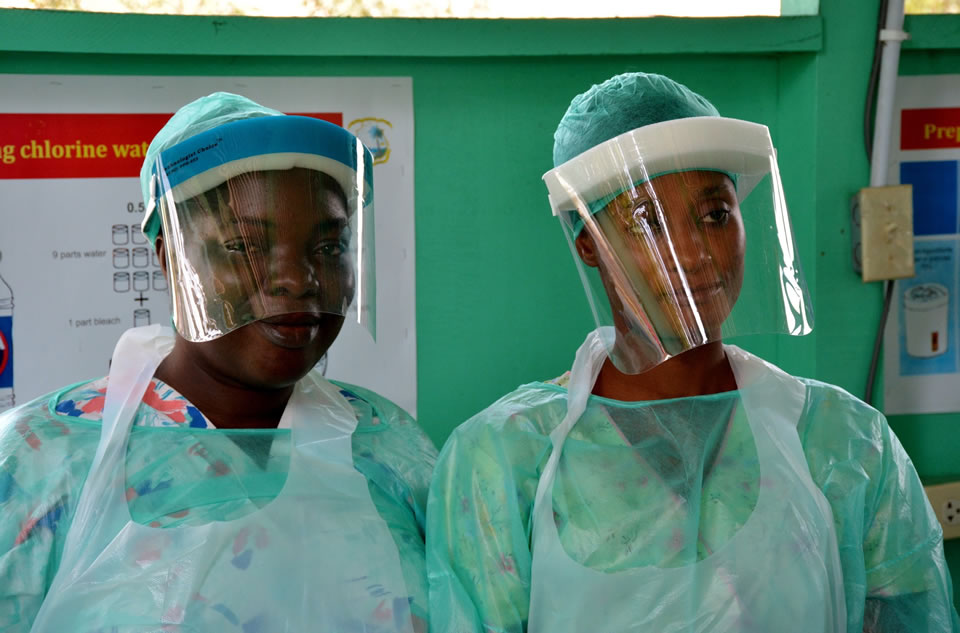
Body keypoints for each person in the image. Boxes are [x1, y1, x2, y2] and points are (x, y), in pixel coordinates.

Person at [426, 72, 960, 632]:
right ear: (588, 243)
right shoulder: (506, 458)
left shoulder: (844, 444)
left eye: (715, 215)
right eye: (647, 222)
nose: (693, 252)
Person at [0, 93, 437, 632]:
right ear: (168, 258)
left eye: (327, 248)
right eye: (244, 247)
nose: (297, 279)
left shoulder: (388, 446)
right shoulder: (41, 462)